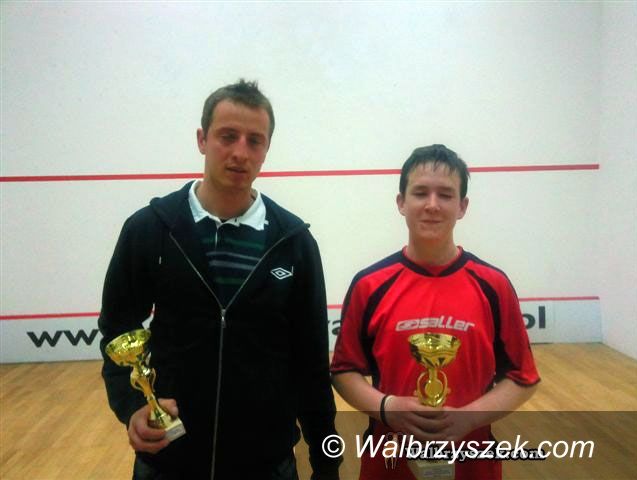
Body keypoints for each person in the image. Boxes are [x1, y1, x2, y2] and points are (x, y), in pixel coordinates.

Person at [99, 79, 341, 480]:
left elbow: (310, 361)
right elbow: (117, 327)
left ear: (266, 149)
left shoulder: (294, 243)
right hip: (169, 461)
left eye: (254, 141)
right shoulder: (149, 229)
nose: (240, 152)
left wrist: (327, 462)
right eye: (228, 136)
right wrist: (132, 405)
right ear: (202, 139)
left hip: (267, 464)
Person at [330, 144, 540, 479]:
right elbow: (344, 371)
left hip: (473, 465)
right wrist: (387, 408)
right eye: (420, 193)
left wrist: (468, 418)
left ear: (462, 206)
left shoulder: (493, 285)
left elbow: (523, 377)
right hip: (389, 465)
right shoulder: (370, 285)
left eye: (445, 194)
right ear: (401, 202)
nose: (432, 205)